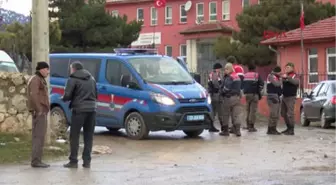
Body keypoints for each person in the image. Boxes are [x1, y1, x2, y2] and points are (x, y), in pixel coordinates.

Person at [62, 61, 98, 168]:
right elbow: (96, 94)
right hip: (92, 110)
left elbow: (67, 95)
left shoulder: (72, 79)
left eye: (70, 68)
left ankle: (73, 161)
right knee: (88, 136)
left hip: (79, 110)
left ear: (74, 69)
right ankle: (87, 161)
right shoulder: (92, 79)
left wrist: (63, 98)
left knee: (75, 135)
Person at [27, 61, 50, 168]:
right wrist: (39, 109)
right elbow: (34, 95)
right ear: (41, 69)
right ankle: (36, 161)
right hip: (39, 112)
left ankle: (37, 159)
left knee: (40, 136)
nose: (48, 72)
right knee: (38, 136)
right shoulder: (36, 79)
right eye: (46, 69)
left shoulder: (39, 79)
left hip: (41, 111)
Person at [219, 63, 242, 137]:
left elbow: (226, 88)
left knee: (225, 114)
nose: (225, 71)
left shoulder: (229, 77)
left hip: (228, 98)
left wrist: (222, 92)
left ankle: (225, 131)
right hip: (237, 98)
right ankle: (237, 130)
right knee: (236, 115)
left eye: (226, 69)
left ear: (229, 69)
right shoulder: (237, 76)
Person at [242, 63, 264, 132]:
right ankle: (251, 126)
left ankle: (248, 125)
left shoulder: (245, 75)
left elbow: (242, 85)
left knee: (248, 110)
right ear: (254, 69)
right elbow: (262, 84)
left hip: (247, 95)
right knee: (253, 111)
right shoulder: (256, 75)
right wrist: (259, 90)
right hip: (254, 94)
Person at [281, 62, 299, 135]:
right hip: (284, 96)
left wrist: (288, 78)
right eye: (286, 67)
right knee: (283, 113)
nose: (286, 69)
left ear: (292, 68)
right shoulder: (285, 76)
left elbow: (296, 82)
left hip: (291, 97)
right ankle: (288, 127)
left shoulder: (295, 75)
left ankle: (291, 129)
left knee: (290, 114)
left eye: (288, 67)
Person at [266, 66, 282, 135]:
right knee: (274, 114)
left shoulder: (276, 76)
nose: (280, 74)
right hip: (272, 96)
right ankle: (271, 129)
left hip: (276, 96)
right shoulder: (271, 76)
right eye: (280, 72)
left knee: (276, 114)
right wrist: (281, 80)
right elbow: (276, 84)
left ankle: (273, 129)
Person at [207, 63, 222, 132]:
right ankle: (213, 126)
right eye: (220, 69)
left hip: (212, 94)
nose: (220, 70)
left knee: (213, 111)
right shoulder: (215, 74)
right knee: (217, 111)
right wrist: (221, 87)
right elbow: (216, 84)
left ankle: (211, 126)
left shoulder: (211, 74)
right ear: (217, 68)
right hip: (215, 95)